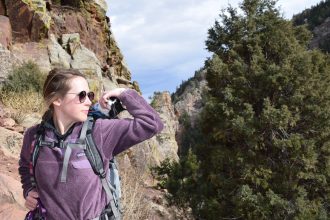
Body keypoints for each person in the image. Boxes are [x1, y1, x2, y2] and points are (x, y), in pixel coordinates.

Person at [18, 68, 164, 220]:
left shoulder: (99, 131)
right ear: (57, 99)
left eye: (90, 95)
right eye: (81, 95)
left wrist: (124, 93)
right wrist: (29, 190)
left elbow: (152, 124)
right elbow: (25, 166)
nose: (88, 101)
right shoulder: (34, 136)